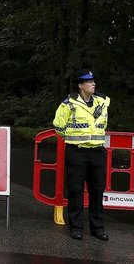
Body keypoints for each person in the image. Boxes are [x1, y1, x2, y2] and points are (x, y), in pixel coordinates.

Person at [53, 69, 110, 241]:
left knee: (97, 190)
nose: (93, 84)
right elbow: (59, 127)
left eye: (94, 81)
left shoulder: (102, 101)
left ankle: (98, 228)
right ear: (80, 85)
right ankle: (76, 227)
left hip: (97, 152)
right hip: (76, 151)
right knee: (76, 190)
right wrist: (74, 138)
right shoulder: (68, 104)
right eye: (89, 81)